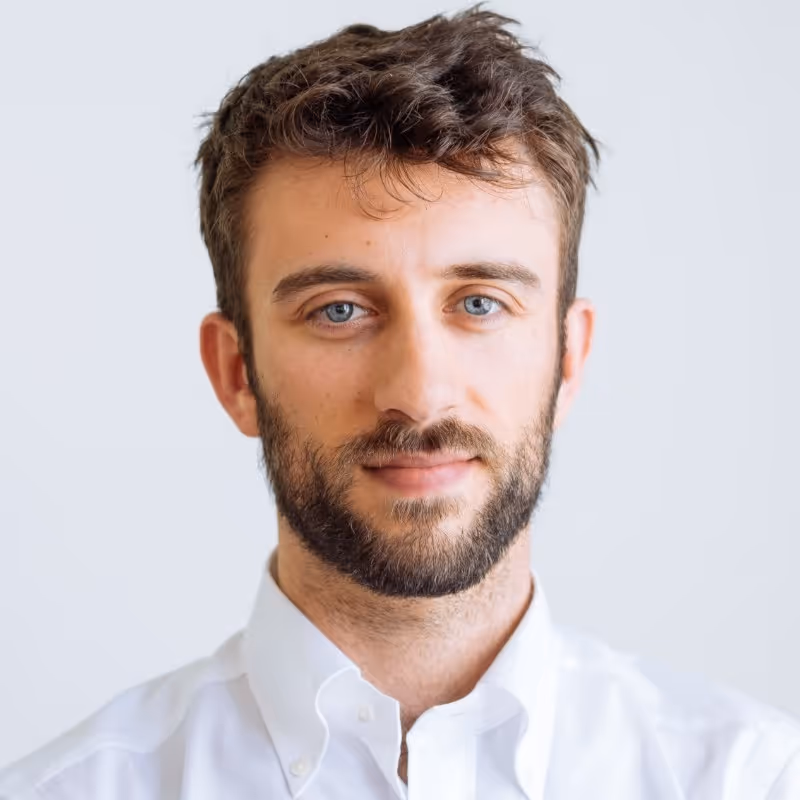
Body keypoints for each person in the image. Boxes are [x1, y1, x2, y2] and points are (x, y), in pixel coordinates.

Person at [1, 4, 798, 799]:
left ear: (567, 358)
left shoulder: (755, 780)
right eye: (339, 310)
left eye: (480, 303)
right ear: (236, 373)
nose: (418, 395)